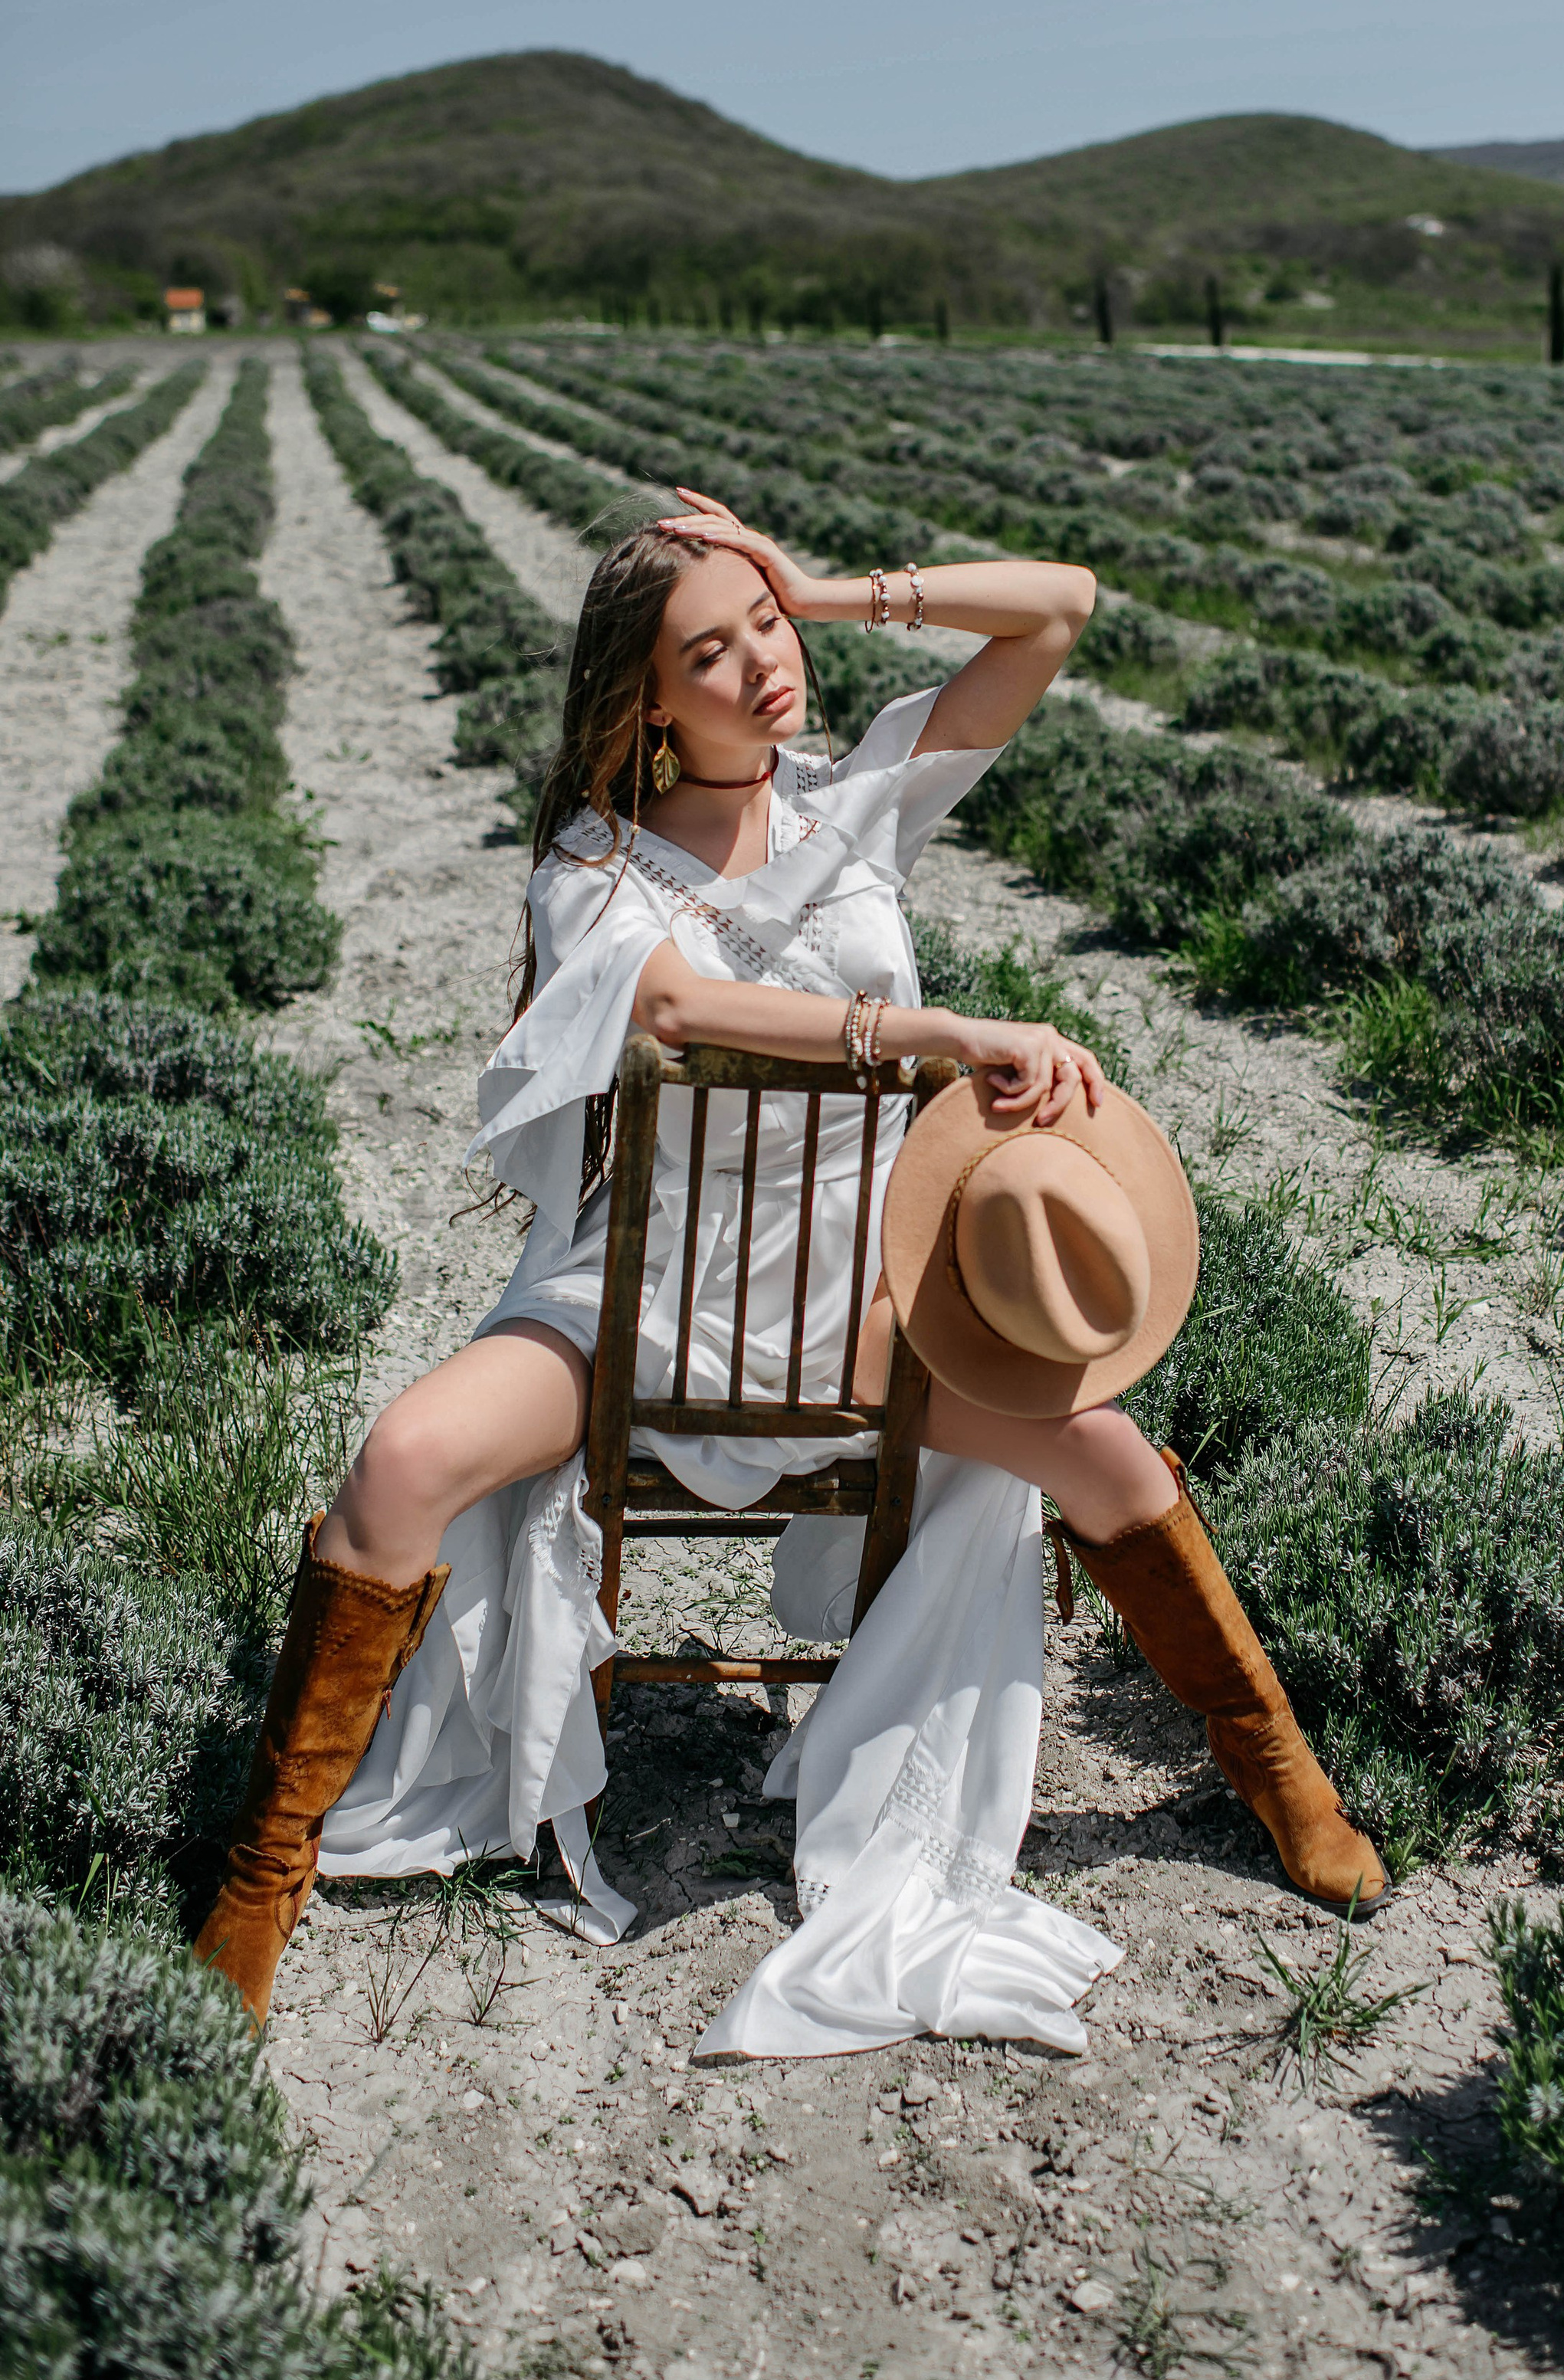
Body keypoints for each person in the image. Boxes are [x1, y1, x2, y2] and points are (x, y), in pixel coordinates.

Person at [194, 495, 1386, 2038]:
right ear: (645, 702)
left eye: (762, 629)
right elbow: (677, 1010)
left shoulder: (851, 802)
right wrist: (929, 1032)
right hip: (640, 1281)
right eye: (711, 650)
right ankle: (263, 1871)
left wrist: (820, 589)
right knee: (403, 1460)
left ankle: (1277, 1770)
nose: (762, 664)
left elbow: (1060, 607)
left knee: (1105, 1454)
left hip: (863, 1285)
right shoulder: (593, 865)